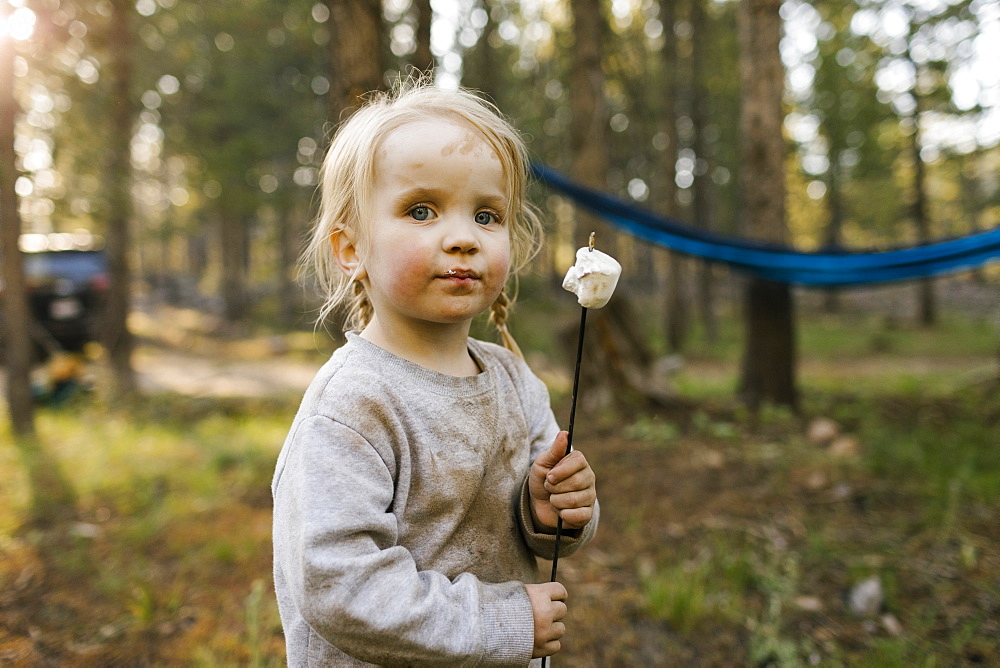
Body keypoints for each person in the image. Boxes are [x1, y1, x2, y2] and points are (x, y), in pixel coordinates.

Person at [271, 79, 599, 667]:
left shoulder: (515, 382)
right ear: (351, 249)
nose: (463, 238)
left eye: (486, 215)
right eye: (421, 210)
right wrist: (506, 620)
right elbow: (339, 589)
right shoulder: (352, 406)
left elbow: (547, 528)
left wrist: (550, 510)